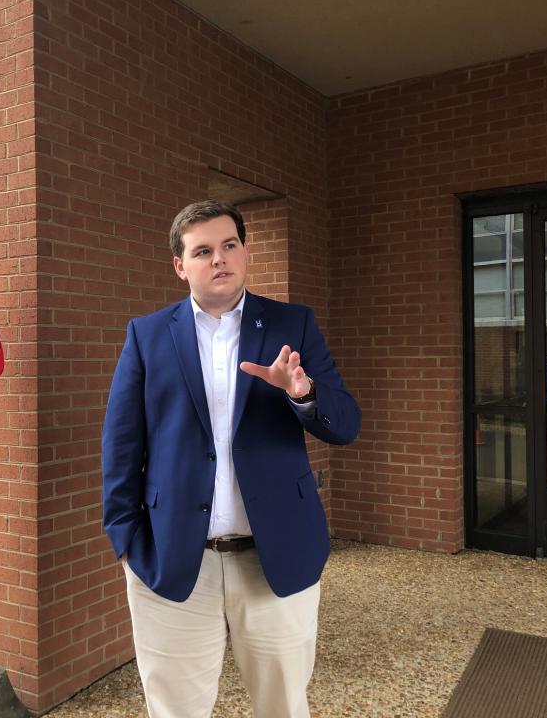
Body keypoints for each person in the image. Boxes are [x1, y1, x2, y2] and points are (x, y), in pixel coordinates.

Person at [102, 200, 361, 718]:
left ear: (244, 252)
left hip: (275, 558)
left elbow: (346, 424)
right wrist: (126, 539)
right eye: (202, 251)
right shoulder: (148, 335)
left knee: (282, 706)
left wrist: (302, 391)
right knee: (176, 709)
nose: (219, 258)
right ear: (181, 265)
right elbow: (121, 445)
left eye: (229, 245)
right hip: (174, 558)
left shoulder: (294, 326)